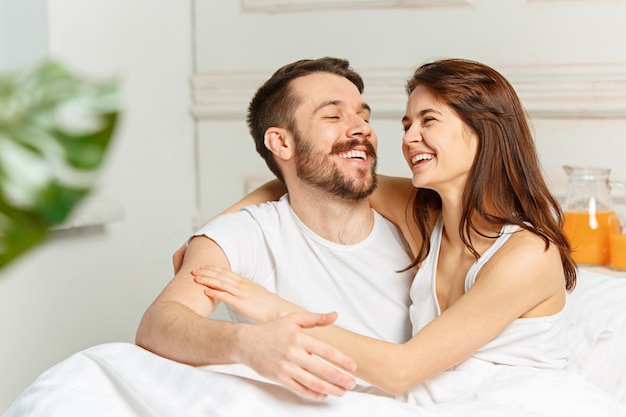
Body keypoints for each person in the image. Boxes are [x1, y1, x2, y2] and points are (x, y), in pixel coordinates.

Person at [190, 58, 626, 414]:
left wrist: (271, 310)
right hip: (445, 399)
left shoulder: (528, 253)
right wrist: (208, 237)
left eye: (427, 121)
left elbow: (401, 370)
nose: (408, 138)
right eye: (405, 124)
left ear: (481, 131)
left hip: (521, 404)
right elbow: (311, 175)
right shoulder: (422, 215)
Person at [135, 57, 419, 401]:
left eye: (364, 116)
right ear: (281, 143)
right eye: (333, 115)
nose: (362, 128)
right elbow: (158, 324)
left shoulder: (419, 221)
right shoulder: (243, 235)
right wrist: (245, 344)